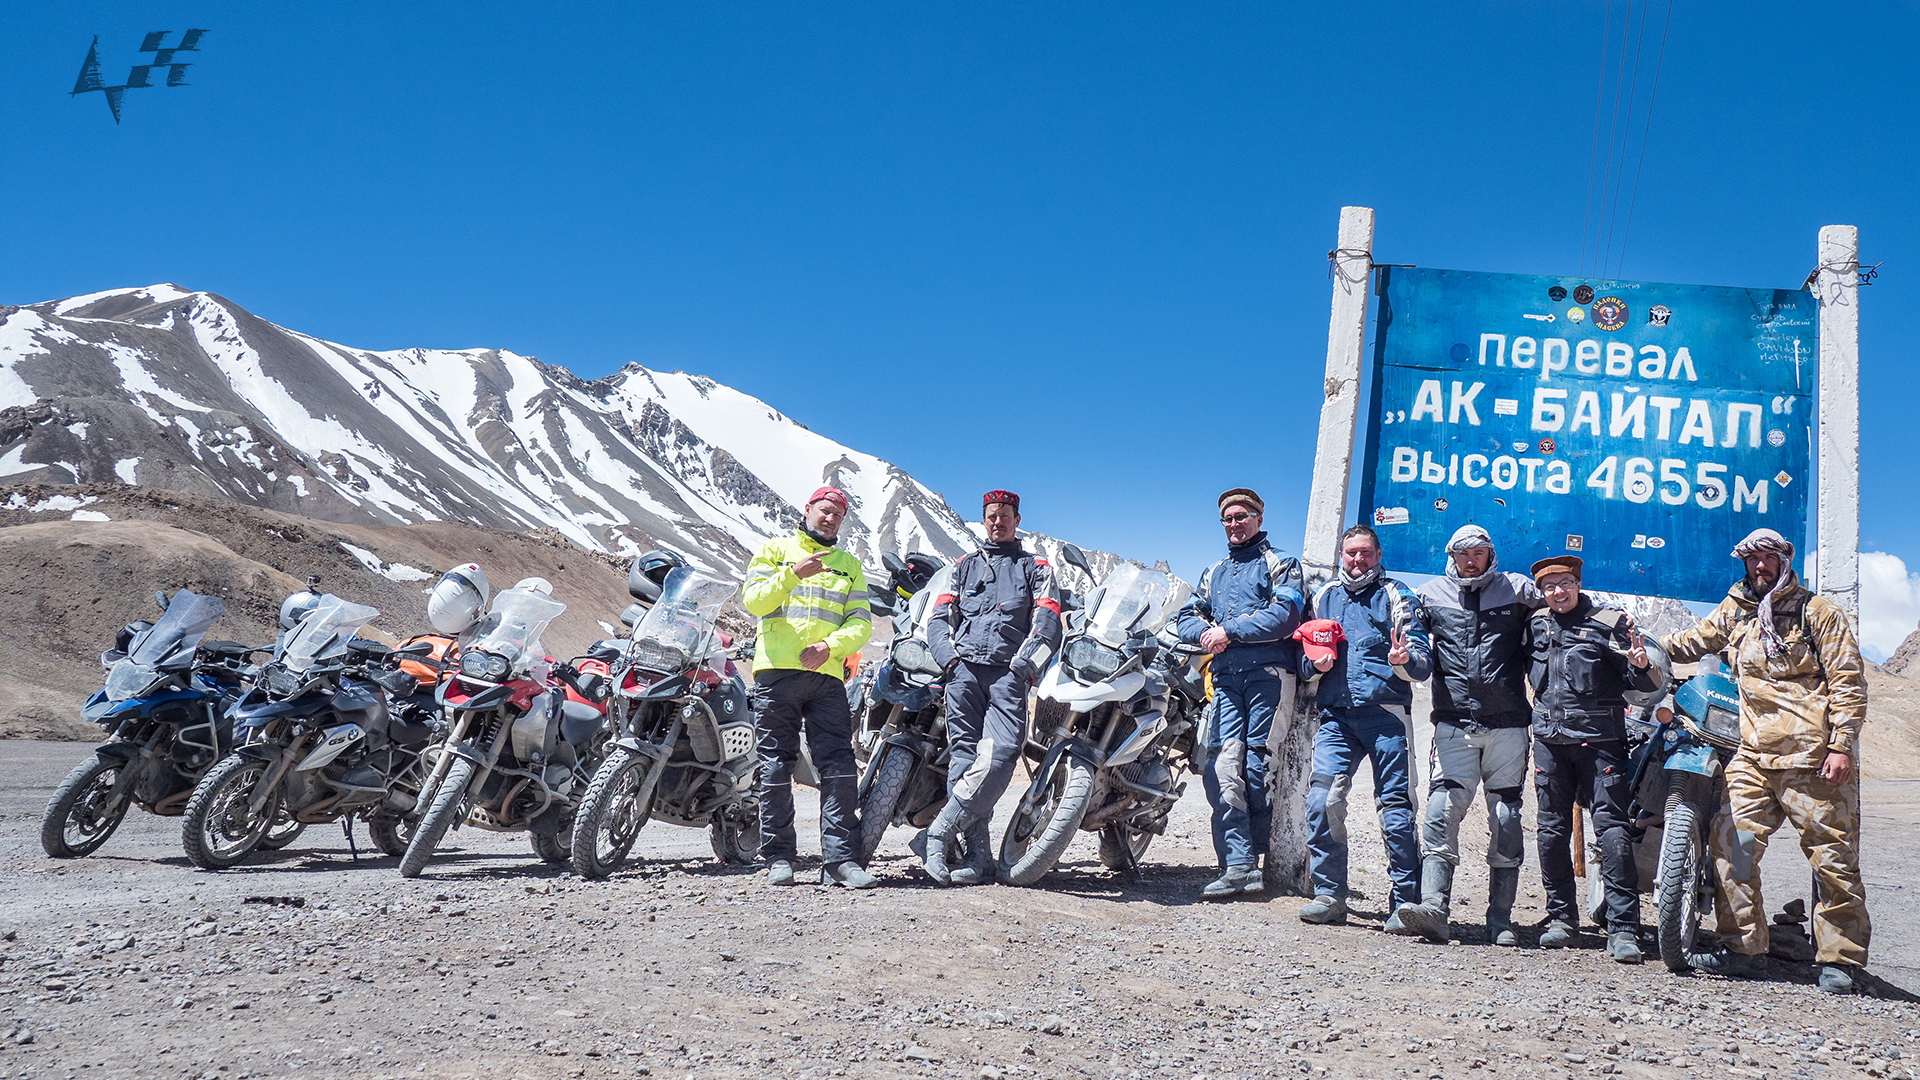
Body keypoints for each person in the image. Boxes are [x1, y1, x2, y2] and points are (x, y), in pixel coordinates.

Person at [1663, 527, 1870, 994]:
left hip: (1813, 758)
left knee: (1832, 858)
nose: (1760, 567)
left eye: (1769, 559)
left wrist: (1841, 745)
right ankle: (1743, 947)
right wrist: (1641, 647)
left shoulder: (1819, 613)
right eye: (1753, 559)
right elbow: (1692, 641)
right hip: (1751, 758)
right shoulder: (1737, 611)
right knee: (1733, 847)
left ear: (1784, 561)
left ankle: (1841, 959)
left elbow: (1848, 683)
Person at [1396, 525, 1543, 946]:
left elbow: (1559, 613)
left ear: (1490, 554)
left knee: (1507, 819)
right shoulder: (1429, 595)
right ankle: (1435, 910)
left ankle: (1500, 919)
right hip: (1453, 724)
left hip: (1509, 726)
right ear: (1451, 556)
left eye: (1479, 552)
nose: (1471, 560)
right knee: (1441, 812)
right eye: (1463, 554)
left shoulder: (1518, 590)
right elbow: (1418, 650)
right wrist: (1406, 662)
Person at [921, 489, 1062, 885]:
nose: (997, 521)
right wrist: (949, 660)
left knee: (1001, 754)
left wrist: (1022, 667)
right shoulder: (962, 566)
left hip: (1007, 674)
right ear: (983, 520)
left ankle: (938, 833)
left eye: (1004, 515)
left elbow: (1048, 622)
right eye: (990, 516)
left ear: (1017, 519)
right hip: (963, 672)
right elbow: (938, 619)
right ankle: (978, 856)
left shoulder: (1035, 567)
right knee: (964, 759)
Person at [1171, 487, 1306, 899]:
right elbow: (1185, 617)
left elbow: (1286, 613)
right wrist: (1207, 636)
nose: (1234, 524)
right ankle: (1238, 863)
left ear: (1259, 519)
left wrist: (1229, 630)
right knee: (1221, 767)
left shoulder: (1281, 563)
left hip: (1269, 675)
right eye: (1227, 519)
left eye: (1242, 516)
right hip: (1226, 679)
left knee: (1255, 768)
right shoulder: (1213, 572)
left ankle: (1257, 857)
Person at [1295, 524, 1432, 928]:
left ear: (1378, 554)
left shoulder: (1397, 594)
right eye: (1351, 553)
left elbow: (1422, 663)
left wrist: (1403, 660)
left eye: (1365, 553)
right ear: (1342, 555)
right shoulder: (1322, 597)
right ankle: (1330, 894)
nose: (1357, 560)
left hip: (1386, 715)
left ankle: (1405, 901)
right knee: (1322, 801)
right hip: (1336, 716)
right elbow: (1302, 656)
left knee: (1395, 807)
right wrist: (1313, 666)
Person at [741, 486, 878, 889]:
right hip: (776, 673)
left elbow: (861, 623)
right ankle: (780, 858)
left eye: (838, 513)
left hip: (827, 676)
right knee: (776, 765)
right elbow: (754, 601)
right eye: (824, 510)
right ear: (808, 510)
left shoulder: (849, 565)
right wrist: (792, 575)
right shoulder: (774, 549)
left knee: (837, 766)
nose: (830, 518)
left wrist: (830, 646)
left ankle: (839, 862)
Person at [1525, 555, 1657, 962]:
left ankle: (1622, 929)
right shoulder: (1535, 625)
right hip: (1549, 740)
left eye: (1565, 582)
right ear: (1542, 592)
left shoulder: (1609, 623)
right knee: (1550, 831)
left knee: (1612, 829)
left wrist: (1640, 666)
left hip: (1601, 742)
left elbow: (1644, 684)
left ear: (1578, 583)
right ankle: (1563, 919)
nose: (1558, 592)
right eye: (1550, 586)